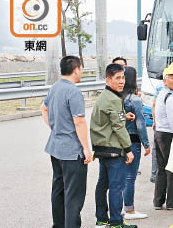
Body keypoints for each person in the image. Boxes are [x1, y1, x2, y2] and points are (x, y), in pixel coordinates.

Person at [41, 56, 92, 228]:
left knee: (58, 190)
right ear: (77, 69)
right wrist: (86, 148)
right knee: (74, 195)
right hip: (71, 151)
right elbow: (79, 121)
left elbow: (43, 108)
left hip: (55, 148)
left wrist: (55, 127)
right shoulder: (74, 91)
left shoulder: (54, 87)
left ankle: (58, 225)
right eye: (81, 69)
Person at [90, 63, 136, 228]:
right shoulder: (114, 99)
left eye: (123, 77)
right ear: (108, 79)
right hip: (114, 150)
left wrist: (125, 115)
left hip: (101, 148)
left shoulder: (104, 96)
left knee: (103, 184)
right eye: (117, 78)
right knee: (116, 186)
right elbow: (118, 127)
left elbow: (111, 118)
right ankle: (116, 221)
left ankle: (101, 219)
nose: (122, 81)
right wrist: (129, 149)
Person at [153, 63, 173, 211]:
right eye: (172, 78)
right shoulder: (170, 98)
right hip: (168, 135)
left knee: (161, 168)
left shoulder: (161, 94)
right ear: (165, 81)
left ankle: (158, 202)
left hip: (159, 133)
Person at [122, 66, 151, 220]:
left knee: (119, 177)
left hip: (118, 142)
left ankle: (119, 207)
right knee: (129, 178)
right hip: (132, 142)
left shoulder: (116, 97)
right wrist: (146, 144)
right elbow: (140, 123)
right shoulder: (134, 99)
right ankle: (130, 210)